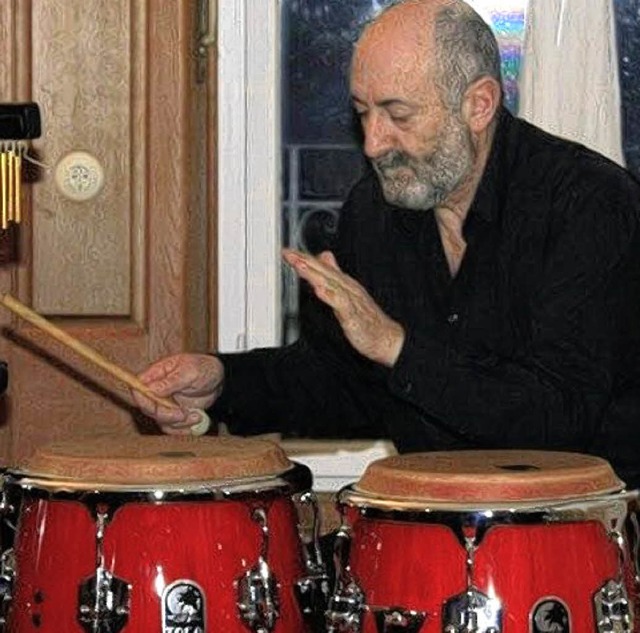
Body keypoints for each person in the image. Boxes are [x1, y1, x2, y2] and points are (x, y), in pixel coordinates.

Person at [132, 0, 640, 490]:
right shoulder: (374, 211)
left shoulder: (588, 205)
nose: (373, 143)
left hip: (589, 540)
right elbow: (343, 382)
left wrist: (397, 346)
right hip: (427, 534)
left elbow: (558, 418)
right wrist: (223, 383)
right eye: (362, 112)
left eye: (398, 115)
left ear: (479, 105)